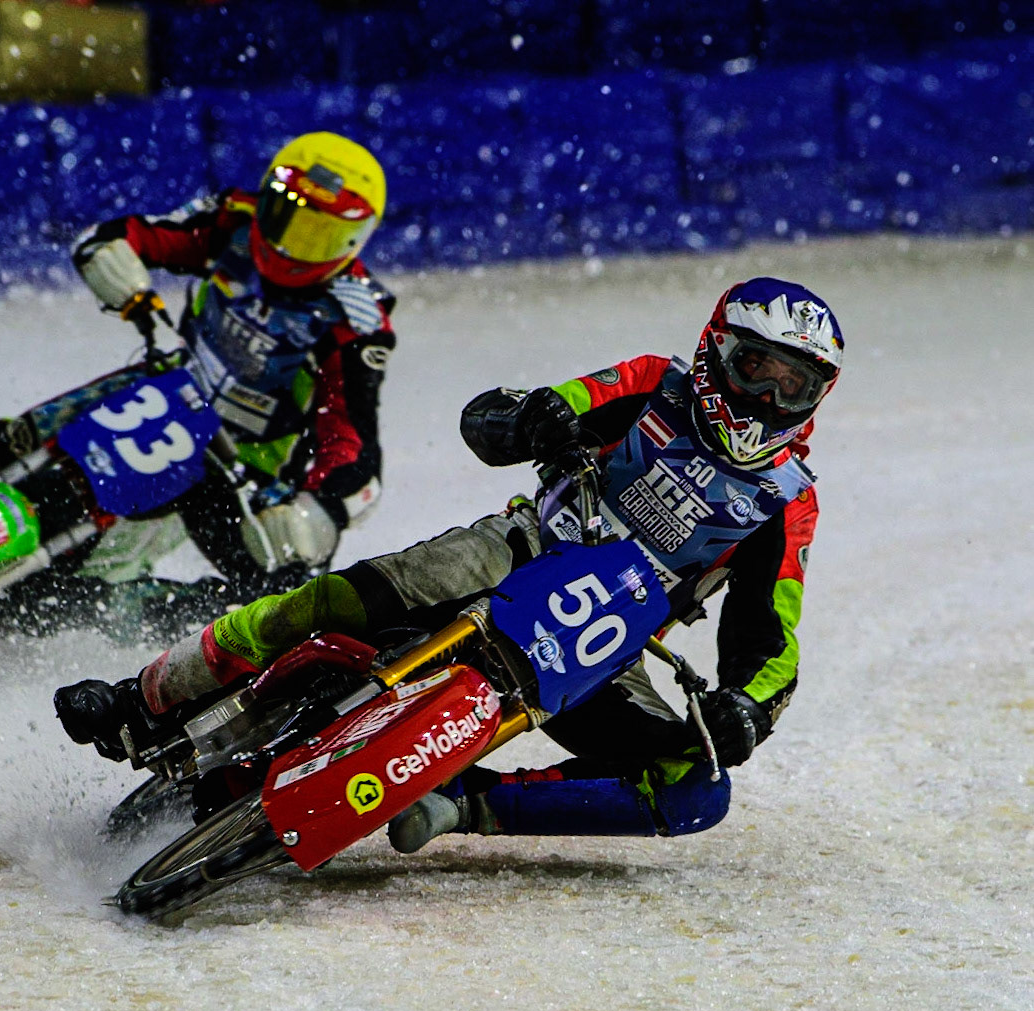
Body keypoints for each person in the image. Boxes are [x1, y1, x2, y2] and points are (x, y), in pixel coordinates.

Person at [57, 277, 840, 849]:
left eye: (792, 387)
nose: (766, 402)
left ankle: (461, 800)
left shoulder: (785, 501)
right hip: (514, 550)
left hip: (605, 644)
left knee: (695, 787)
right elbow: (515, 411)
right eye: (753, 371)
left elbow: (771, 639)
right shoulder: (651, 386)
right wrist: (541, 419)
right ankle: (145, 697)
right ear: (714, 352)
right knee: (333, 599)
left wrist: (746, 707)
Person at [0, 132, 394, 633]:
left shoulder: (356, 318)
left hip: (243, 461)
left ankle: (138, 618)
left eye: (313, 234)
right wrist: (128, 283)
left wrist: (318, 509)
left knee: (259, 591)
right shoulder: (233, 220)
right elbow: (117, 236)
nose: (288, 238)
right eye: (282, 211)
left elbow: (354, 444)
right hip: (164, 383)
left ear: (349, 243)